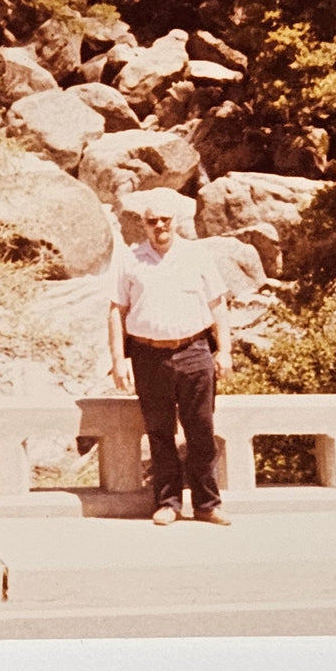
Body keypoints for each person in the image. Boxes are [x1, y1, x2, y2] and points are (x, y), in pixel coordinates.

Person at [108, 189, 233, 526]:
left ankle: (207, 504)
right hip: (149, 356)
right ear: (143, 225)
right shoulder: (129, 259)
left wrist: (225, 350)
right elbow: (117, 311)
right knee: (159, 433)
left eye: (165, 219)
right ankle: (168, 503)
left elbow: (217, 305)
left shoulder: (198, 255)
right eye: (152, 221)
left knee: (201, 431)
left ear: (176, 221)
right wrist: (119, 360)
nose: (159, 225)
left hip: (195, 351)